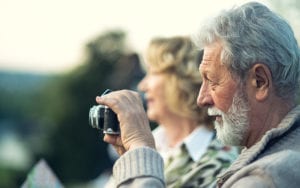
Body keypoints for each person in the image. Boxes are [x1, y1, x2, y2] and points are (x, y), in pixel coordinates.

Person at [96, 1, 300, 188]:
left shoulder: (269, 175)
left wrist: (139, 151)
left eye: (212, 81)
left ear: (260, 81)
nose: (201, 98)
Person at [138, 36, 239, 187]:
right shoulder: (149, 143)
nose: (142, 86)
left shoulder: (222, 163)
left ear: (181, 80)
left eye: (152, 72)